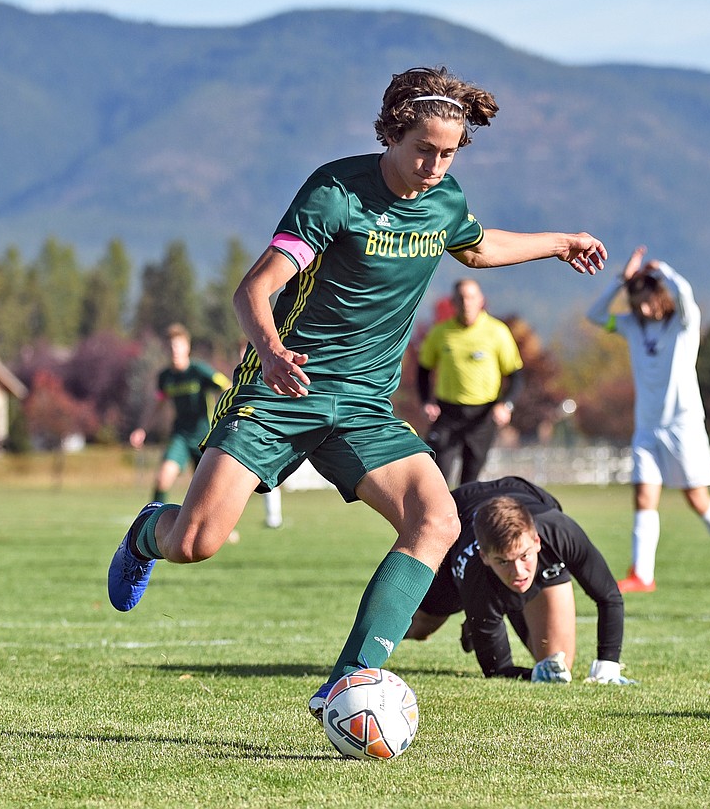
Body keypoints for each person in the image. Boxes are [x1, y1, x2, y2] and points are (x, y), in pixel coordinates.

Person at [106, 66, 607, 722]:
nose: (433, 164)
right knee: (196, 541)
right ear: (393, 134)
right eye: (422, 148)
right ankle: (149, 532)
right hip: (282, 390)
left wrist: (560, 242)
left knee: (437, 520)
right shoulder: (335, 191)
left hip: (364, 408)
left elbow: (480, 249)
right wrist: (273, 351)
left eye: (447, 153)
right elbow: (252, 291)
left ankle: (348, 683)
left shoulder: (445, 202)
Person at [586, 245, 710, 593]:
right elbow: (596, 315)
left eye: (647, 299)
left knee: (697, 498)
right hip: (647, 427)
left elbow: (686, 295)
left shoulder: (683, 324)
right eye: (637, 302)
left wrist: (666, 272)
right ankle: (642, 575)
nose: (643, 308)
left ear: (659, 293)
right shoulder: (632, 326)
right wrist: (622, 280)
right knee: (644, 497)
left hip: (683, 425)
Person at [407, 476, 635, 684]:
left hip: (522, 491)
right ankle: (479, 621)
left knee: (557, 664)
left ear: (536, 542)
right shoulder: (474, 575)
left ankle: (482, 620)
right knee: (423, 626)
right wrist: (533, 675)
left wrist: (608, 666)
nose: (519, 572)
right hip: (457, 515)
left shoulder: (559, 532)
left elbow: (609, 597)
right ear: (485, 557)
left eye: (524, 556)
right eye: (504, 561)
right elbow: (497, 669)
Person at [417, 279, 523, 486]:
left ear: (481, 300)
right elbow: (423, 369)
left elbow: (516, 375)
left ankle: (464, 518)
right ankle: (436, 517)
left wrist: (506, 405)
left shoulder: (497, 331)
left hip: (482, 416)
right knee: (436, 477)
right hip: (448, 413)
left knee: (470, 482)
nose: (467, 303)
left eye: (472, 297)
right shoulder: (440, 333)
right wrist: (426, 402)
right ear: (453, 302)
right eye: (461, 298)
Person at [128, 324, 232, 504]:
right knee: (162, 479)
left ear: (187, 347)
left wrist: (227, 418)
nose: (174, 350)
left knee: (210, 491)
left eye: (178, 345)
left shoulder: (199, 371)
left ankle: (218, 530)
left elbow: (227, 386)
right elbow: (157, 403)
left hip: (205, 437)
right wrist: (142, 429)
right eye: (170, 347)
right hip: (180, 436)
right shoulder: (165, 377)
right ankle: (153, 521)